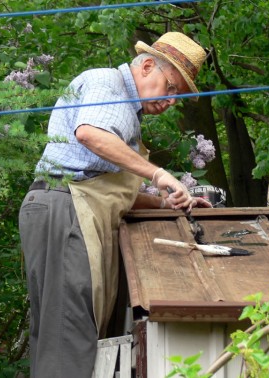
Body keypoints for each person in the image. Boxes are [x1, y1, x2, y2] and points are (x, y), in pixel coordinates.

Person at [18, 32, 210, 377]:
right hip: (67, 208)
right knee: (69, 336)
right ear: (148, 65)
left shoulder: (125, 113)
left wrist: (166, 203)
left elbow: (111, 189)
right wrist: (159, 174)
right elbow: (90, 134)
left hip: (73, 208)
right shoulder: (108, 85)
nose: (171, 101)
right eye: (170, 88)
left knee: (69, 337)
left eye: (177, 96)